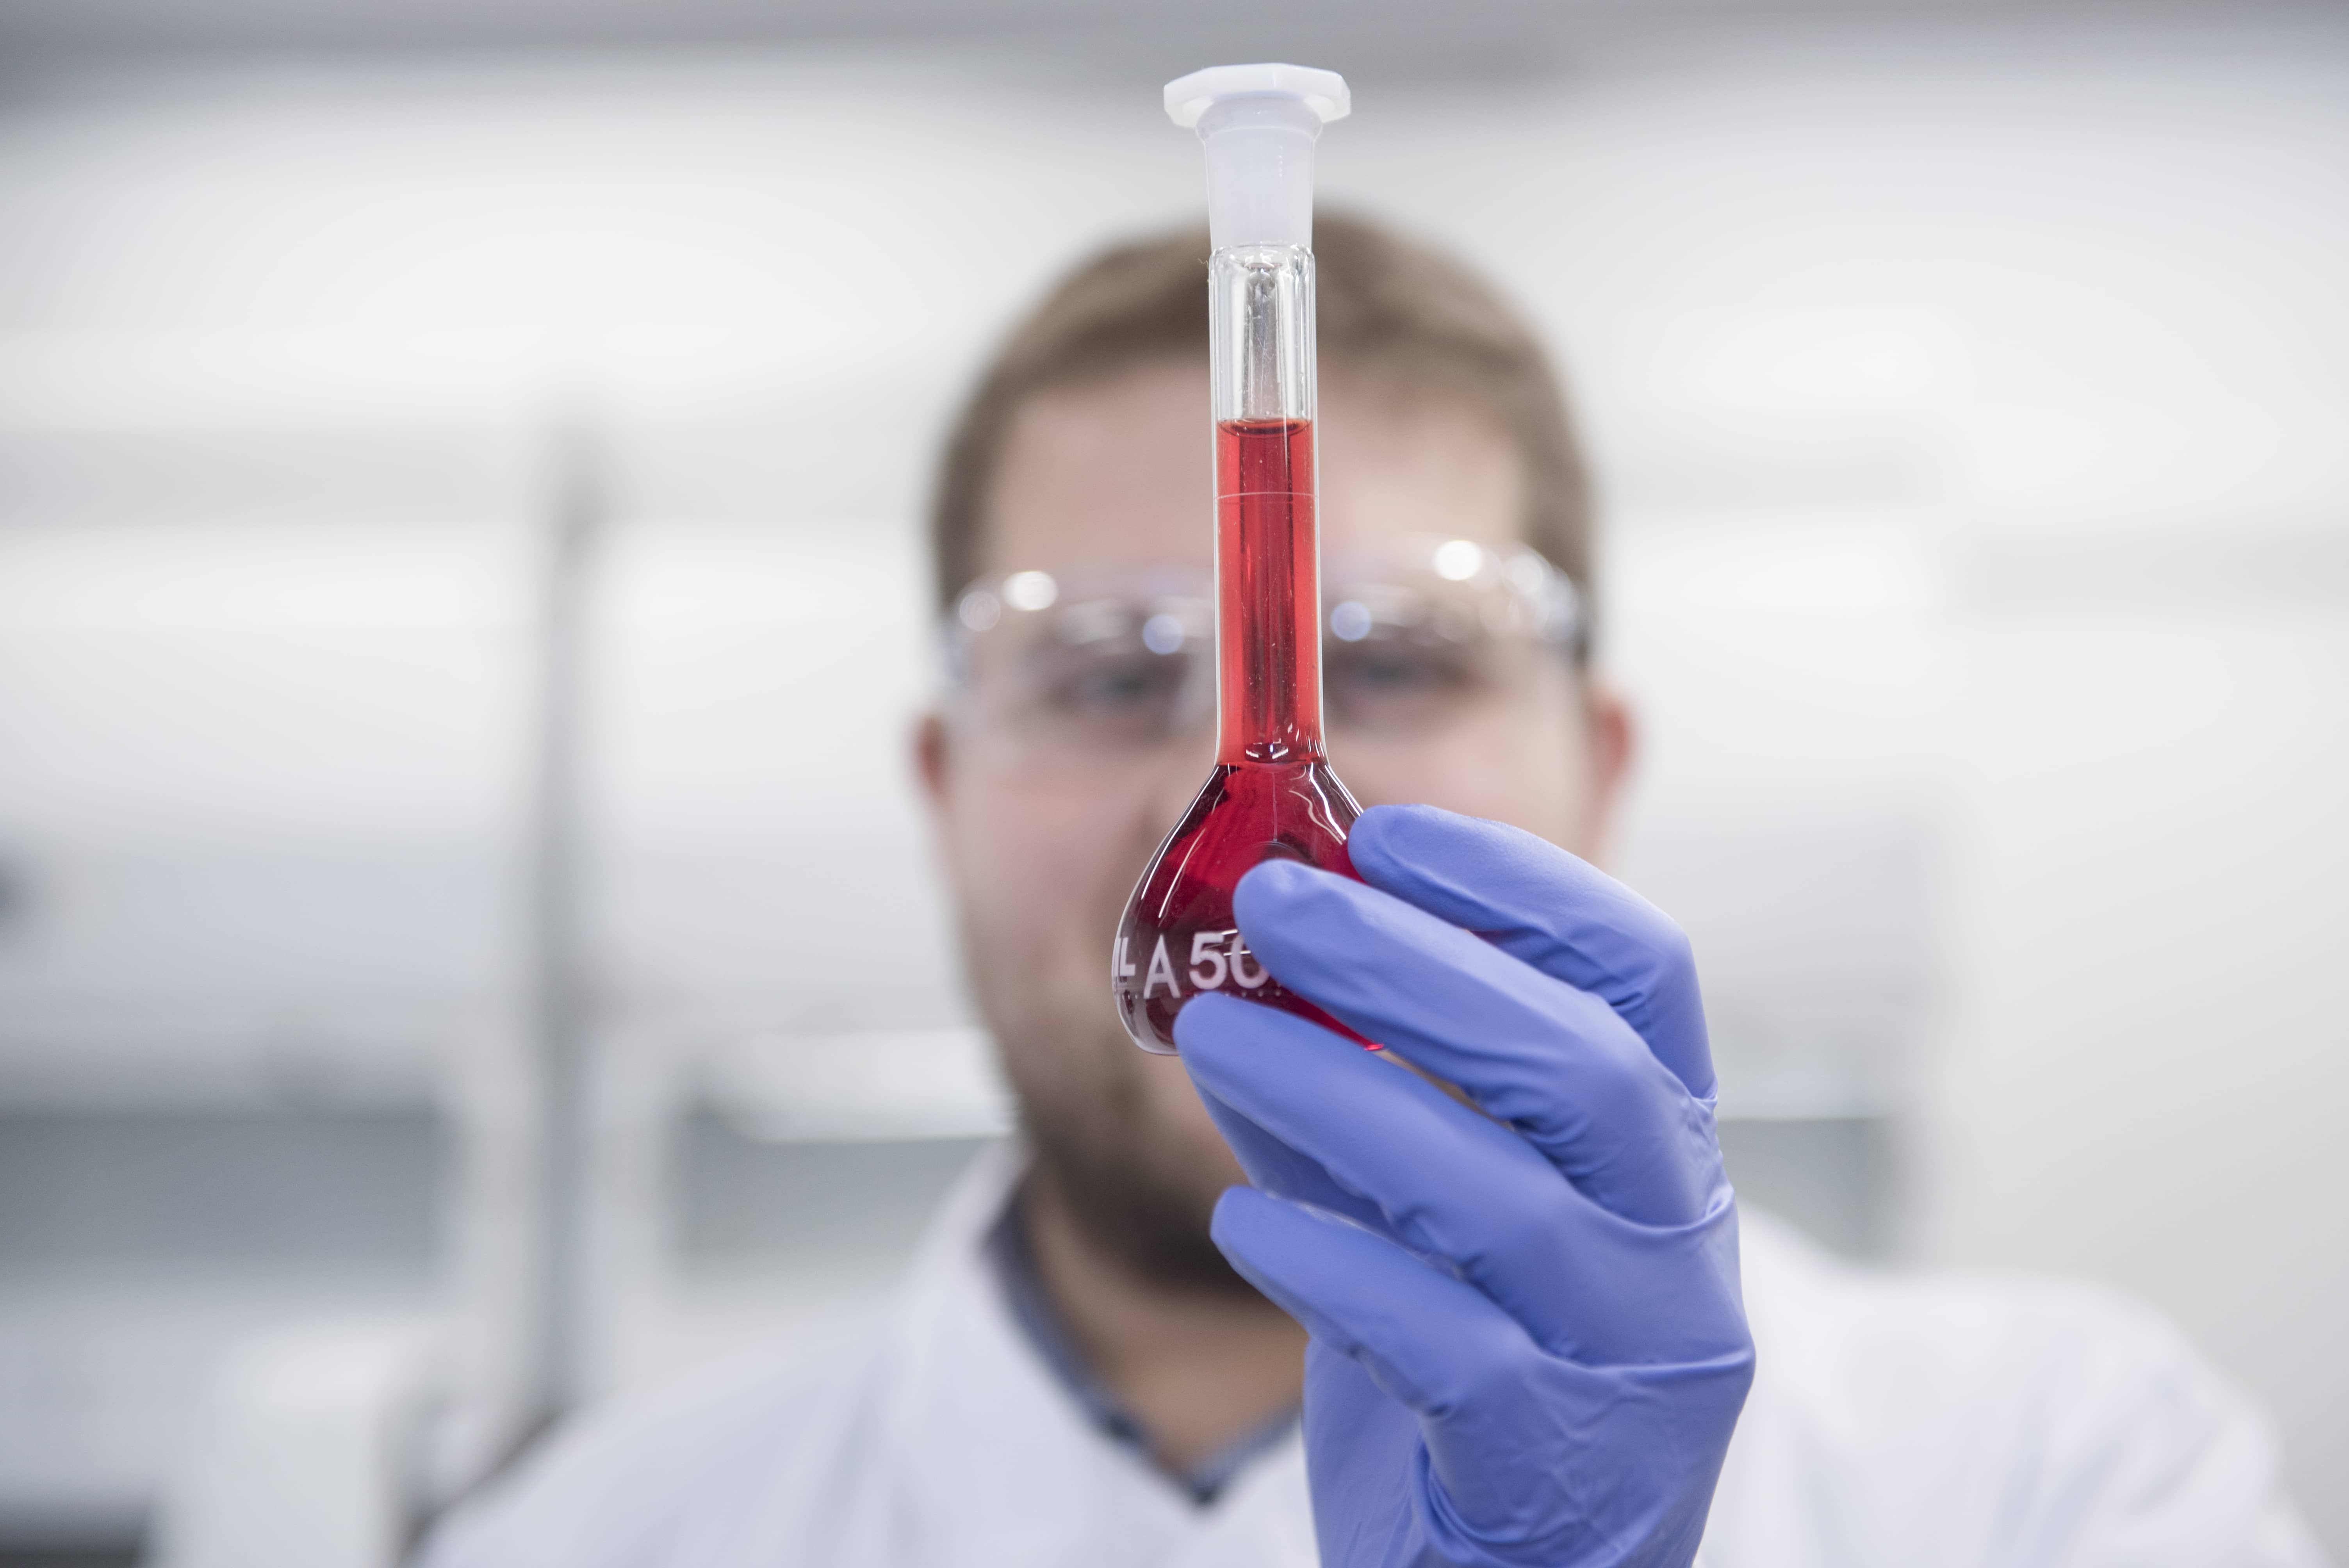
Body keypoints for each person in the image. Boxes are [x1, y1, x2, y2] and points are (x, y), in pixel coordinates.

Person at [418, 215, 2327, 1567]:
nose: (1235, 793)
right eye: (1094, 673)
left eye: (1398, 660)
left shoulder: (2055, 1480)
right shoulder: (586, 1537)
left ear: (1604, 769)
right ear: (942, 792)